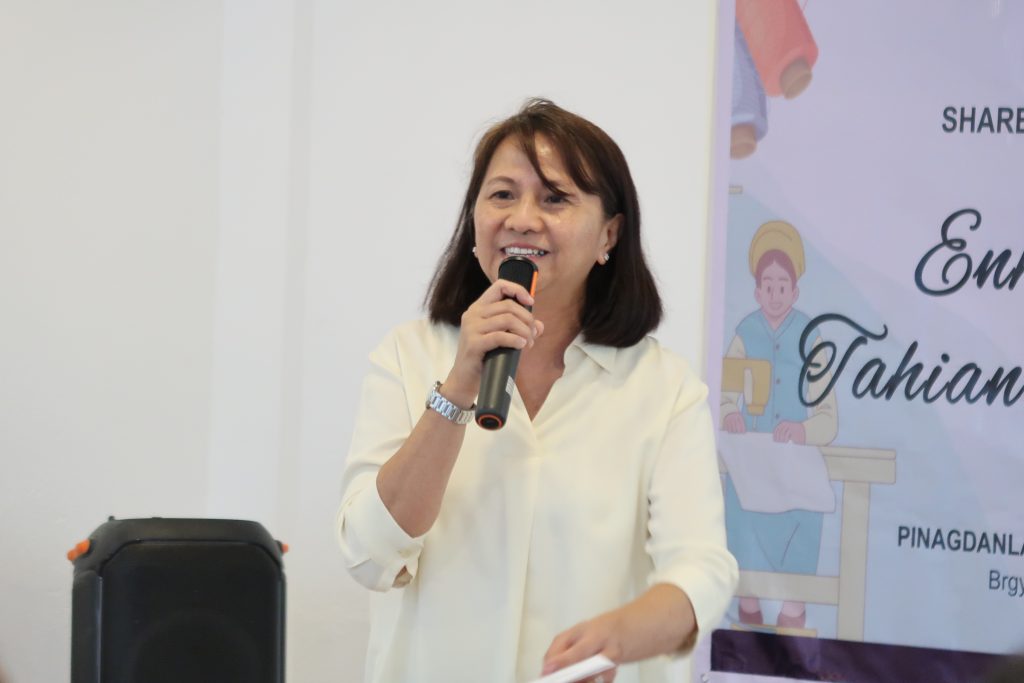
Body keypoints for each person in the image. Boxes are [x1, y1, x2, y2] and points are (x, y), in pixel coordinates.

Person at [337, 99, 737, 683]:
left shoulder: (663, 388)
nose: (523, 218)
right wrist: (461, 381)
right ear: (473, 222)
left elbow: (701, 572)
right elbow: (370, 555)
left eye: (555, 198)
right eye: (502, 195)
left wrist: (621, 636)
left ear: (609, 233)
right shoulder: (407, 356)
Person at [719, 221, 838, 629]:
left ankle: (792, 636)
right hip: (751, 467)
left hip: (795, 473)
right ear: (755, 290)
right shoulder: (743, 334)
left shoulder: (812, 336)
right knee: (741, 523)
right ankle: (746, 632)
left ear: (795, 290)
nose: (774, 293)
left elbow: (828, 418)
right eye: (766, 285)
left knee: (800, 550)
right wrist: (730, 413)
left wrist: (803, 431)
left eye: (782, 285)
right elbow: (724, 393)